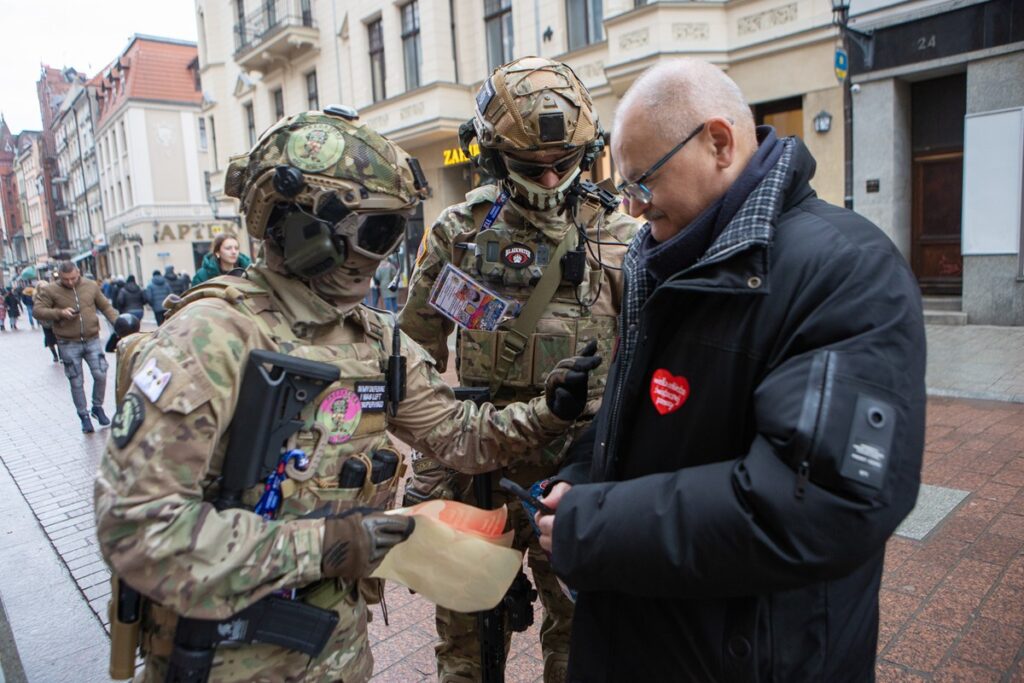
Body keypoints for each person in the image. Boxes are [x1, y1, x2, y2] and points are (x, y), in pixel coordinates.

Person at [93, 109, 600, 683]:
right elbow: (138, 530)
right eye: (376, 231)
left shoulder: (373, 337)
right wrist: (330, 545)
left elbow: (458, 435)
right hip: (224, 659)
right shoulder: (212, 338)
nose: (382, 255)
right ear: (302, 226)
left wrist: (547, 412)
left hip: (337, 655)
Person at [535, 58, 927, 682]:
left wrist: (597, 528)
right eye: (625, 189)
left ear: (718, 142)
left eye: (643, 182)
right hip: (646, 638)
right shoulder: (669, 253)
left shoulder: (848, 271)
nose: (634, 208)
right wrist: (585, 472)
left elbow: (821, 502)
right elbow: (645, 413)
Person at [400, 56, 639, 683]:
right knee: (469, 648)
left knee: (581, 639)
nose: (553, 176)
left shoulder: (618, 235)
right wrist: (440, 444)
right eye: (532, 166)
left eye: (566, 163)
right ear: (490, 155)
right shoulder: (461, 231)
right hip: (481, 469)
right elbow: (413, 353)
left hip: (577, 475)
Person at [34, 261, 119, 432]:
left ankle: (97, 406)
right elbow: (38, 310)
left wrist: (119, 324)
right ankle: (84, 416)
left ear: (78, 272)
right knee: (76, 381)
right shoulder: (50, 290)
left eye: (73, 278)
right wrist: (59, 313)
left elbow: (105, 306)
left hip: (92, 338)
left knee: (101, 373)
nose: (70, 282)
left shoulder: (90, 285)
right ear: (60, 276)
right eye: (66, 279)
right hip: (67, 342)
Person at [33, 279, 60, 362]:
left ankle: (61, 355)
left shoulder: (52, 295)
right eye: (41, 288)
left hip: (54, 320)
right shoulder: (36, 298)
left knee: (59, 338)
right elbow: (36, 311)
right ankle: (55, 355)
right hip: (45, 322)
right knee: (50, 340)